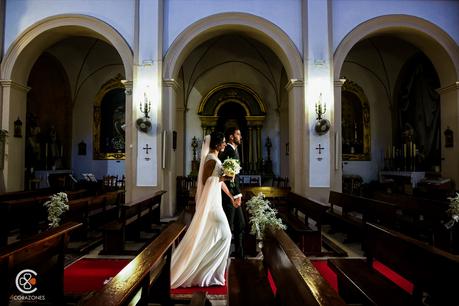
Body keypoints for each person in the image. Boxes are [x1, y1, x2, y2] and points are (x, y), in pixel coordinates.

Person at [171, 132, 234, 288]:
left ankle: (209, 271)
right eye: (223, 142)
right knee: (225, 234)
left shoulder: (216, 159)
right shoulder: (210, 160)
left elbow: (218, 182)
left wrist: (231, 196)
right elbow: (207, 182)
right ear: (217, 144)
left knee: (215, 235)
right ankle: (205, 271)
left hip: (216, 202)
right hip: (210, 204)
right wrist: (224, 177)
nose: (225, 144)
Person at [219, 127, 245, 259]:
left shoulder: (234, 150)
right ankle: (225, 255)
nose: (240, 137)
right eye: (238, 134)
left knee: (240, 223)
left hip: (233, 194)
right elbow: (230, 177)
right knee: (229, 225)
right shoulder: (229, 151)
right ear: (231, 137)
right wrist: (236, 196)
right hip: (229, 195)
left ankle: (239, 253)